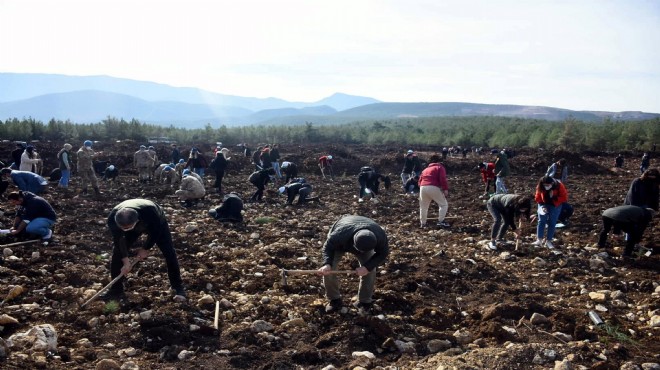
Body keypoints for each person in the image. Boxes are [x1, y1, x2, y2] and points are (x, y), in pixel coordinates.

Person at [106, 199, 186, 300]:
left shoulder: (150, 212)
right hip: (132, 224)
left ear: (137, 221)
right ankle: (116, 290)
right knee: (117, 254)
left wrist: (145, 248)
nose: (125, 230)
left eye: (128, 227)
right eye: (123, 228)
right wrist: (125, 261)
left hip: (156, 222)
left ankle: (177, 286)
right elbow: (118, 240)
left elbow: (155, 232)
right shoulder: (112, 219)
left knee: (168, 251)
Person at [317, 215, 389, 313]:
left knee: (370, 270)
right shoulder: (339, 234)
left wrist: (367, 267)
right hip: (341, 241)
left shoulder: (380, 236)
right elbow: (327, 247)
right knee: (328, 271)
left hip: (365, 238)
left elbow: (383, 253)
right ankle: (334, 300)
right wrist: (327, 263)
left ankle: (364, 301)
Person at [532, 176, 568, 249]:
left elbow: (564, 198)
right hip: (543, 203)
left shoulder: (559, 185)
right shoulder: (540, 186)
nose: (546, 187)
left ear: (551, 183)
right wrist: (542, 206)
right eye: (545, 185)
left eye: (548, 185)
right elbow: (537, 197)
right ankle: (539, 239)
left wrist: (554, 197)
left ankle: (548, 241)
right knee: (541, 221)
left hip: (555, 205)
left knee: (552, 222)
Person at [419, 155, 450, 228]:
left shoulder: (425, 169)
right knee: (443, 205)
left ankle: (423, 224)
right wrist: (445, 189)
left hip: (422, 187)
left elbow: (419, 181)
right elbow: (443, 179)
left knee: (423, 207)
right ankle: (441, 221)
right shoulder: (439, 167)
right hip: (433, 186)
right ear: (439, 161)